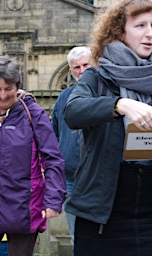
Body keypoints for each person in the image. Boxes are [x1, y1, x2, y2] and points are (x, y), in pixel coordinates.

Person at [63, 0, 152, 255]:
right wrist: (118, 105)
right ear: (120, 31)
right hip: (100, 210)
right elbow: (72, 112)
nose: (149, 33)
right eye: (140, 25)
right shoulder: (97, 77)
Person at [0, 55, 67, 256]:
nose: (3, 95)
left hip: (23, 208)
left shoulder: (34, 115)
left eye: (8, 89)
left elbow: (53, 158)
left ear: (18, 86)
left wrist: (53, 200)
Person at [51, 46, 91, 246]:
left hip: (95, 177)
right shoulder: (63, 98)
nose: (81, 71)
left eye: (86, 65)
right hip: (70, 178)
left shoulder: (104, 93)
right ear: (71, 71)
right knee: (77, 237)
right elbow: (54, 134)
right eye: (77, 67)